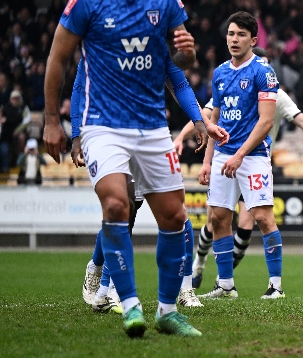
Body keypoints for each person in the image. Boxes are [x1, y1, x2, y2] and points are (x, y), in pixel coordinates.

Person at [42, 0, 226, 337]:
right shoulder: (86, 2)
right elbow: (58, 59)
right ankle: (126, 304)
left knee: (175, 217)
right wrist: (56, 123)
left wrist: (191, 68)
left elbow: (176, 68)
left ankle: (166, 311)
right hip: (102, 125)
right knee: (116, 206)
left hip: (151, 127)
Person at [179, 48, 303, 293]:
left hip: (254, 161)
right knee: (215, 219)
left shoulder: (275, 94)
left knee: (253, 222)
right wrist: (182, 139)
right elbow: (208, 117)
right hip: (226, 158)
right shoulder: (227, 79)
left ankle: (263, 284)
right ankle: (205, 267)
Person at [71, 55, 221, 313]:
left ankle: (184, 289)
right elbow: (78, 88)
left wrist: (199, 120)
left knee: (177, 213)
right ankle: (103, 281)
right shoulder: (100, 36)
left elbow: (180, 83)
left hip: (152, 134)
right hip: (111, 133)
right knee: (121, 210)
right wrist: (75, 134)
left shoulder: (155, 36)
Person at [197, 12, 285, 300]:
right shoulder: (220, 73)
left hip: (253, 155)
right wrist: (208, 161)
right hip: (223, 155)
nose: (234, 40)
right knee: (219, 218)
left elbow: (266, 122)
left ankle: (275, 286)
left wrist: (240, 154)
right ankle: (225, 285)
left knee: (262, 217)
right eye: (231, 34)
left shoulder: (263, 72)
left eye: (241, 35)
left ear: (253, 40)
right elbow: (216, 121)